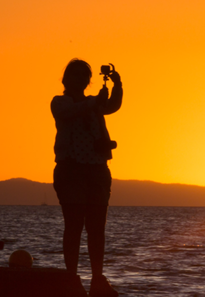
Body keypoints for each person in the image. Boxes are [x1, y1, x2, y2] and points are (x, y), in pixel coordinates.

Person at [50, 59, 122, 297]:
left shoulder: (93, 105)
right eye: (75, 74)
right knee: (73, 227)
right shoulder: (60, 102)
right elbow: (71, 112)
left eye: (84, 75)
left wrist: (117, 85)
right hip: (71, 171)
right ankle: (71, 278)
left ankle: (97, 280)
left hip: (97, 170)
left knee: (96, 228)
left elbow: (112, 105)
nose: (80, 79)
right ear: (66, 79)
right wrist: (94, 102)